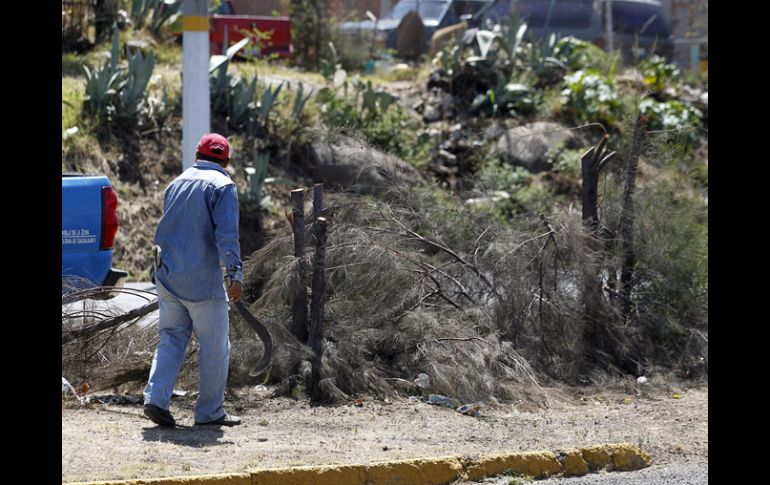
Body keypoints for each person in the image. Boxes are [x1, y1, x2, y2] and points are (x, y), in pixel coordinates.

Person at [143, 133, 244, 427]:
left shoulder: (176, 183)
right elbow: (227, 236)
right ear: (225, 160)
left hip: (169, 276)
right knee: (215, 346)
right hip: (202, 283)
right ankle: (210, 413)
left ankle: (155, 399)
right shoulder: (223, 186)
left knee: (172, 338)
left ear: (196, 155)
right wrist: (234, 274)